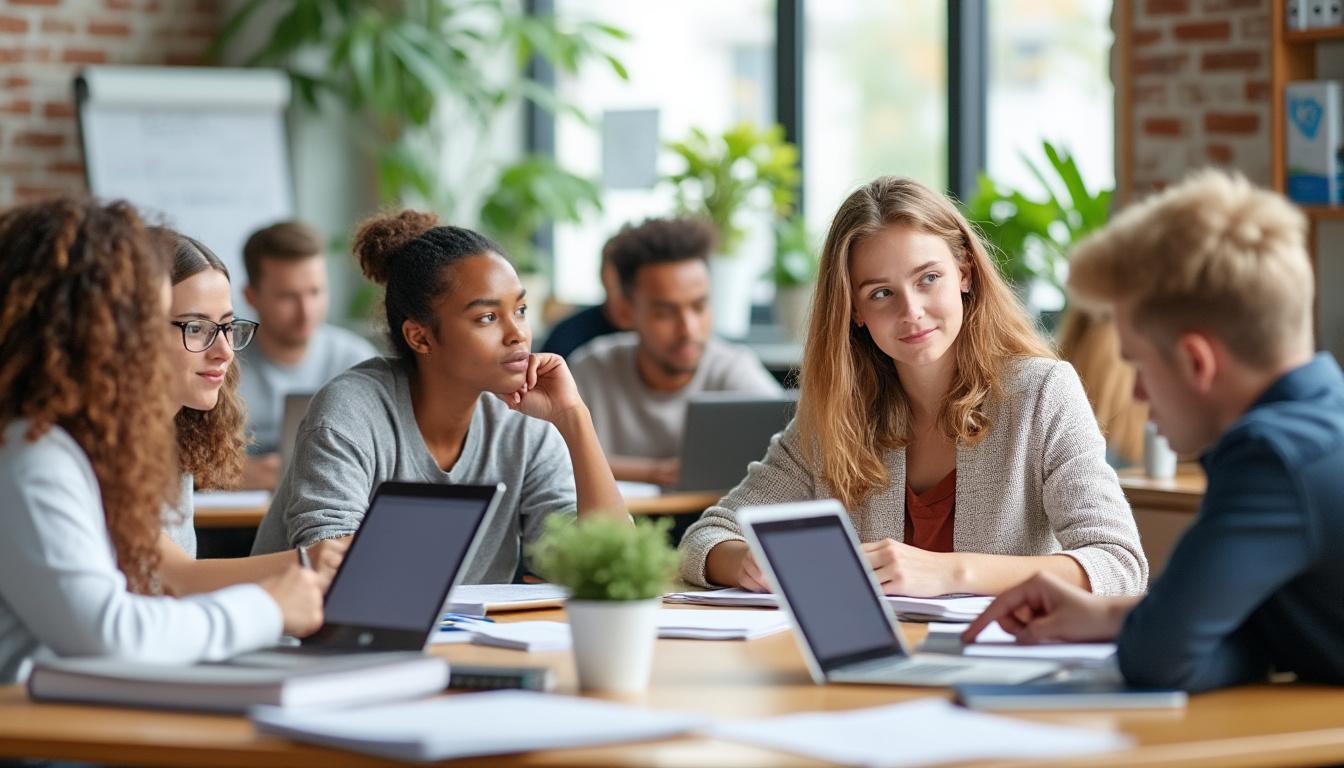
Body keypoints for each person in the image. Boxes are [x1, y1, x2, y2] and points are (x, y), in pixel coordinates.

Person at [962, 170, 1344, 691]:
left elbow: (1158, 659)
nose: (1137, 395)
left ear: (1195, 361)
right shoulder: (1325, 424)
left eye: (1138, 366)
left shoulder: (1272, 459)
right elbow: (1214, 637)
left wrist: (1163, 633)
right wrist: (1109, 617)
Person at [679, 176, 1147, 597]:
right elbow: (707, 537)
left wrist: (951, 573)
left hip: (993, 669)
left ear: (964, 272)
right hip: (866, 666)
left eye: (928, 278)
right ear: (855, 311)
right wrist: (749, 563)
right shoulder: (840, 412)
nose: (912, 311)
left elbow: (1118, 562)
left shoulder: (1042, 392)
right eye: (881, 293)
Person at [0, 198, 322, 684]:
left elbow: (152, 605)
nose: (222, 351)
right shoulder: (30, 456)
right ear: (92, 331)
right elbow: (115, 634)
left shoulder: (112, 444)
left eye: (227, 328)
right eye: (187, 326)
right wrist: (269, 607)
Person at [251, 211, 628, 581]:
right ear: (420, 337)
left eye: (521, 309)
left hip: (459, 638)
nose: (518, 334)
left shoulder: (524, 421)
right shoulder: (350, 411)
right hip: (304, 637)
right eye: (487, 318)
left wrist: (574, 418)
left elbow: (608, 567)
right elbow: (329, 570)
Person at [153, 229, 348, 595]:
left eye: (226, 326)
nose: (225, 351)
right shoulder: (98, 450)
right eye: (196, 328)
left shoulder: (172, 437)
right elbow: (172, 577)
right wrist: (311, 559)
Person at [569, 217, 782, 487]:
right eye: (665, 313)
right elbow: (552, 460)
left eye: (699, 306)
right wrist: (653, 472)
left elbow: (790, 453)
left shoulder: (733, 368)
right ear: (625, 312)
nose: (688, 330)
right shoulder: (590, 370)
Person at [237, 220, 378, 490]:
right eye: (288, 297)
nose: (306, 311)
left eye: (315, 292)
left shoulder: (358, 360)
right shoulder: (219, 363)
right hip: (232, 525)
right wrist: (228, 472)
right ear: (251, 296)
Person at [539, 243, 630, 358]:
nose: (625, 284)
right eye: (619, 272)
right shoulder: (567, 336)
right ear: (602, 275)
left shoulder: (654, 344)